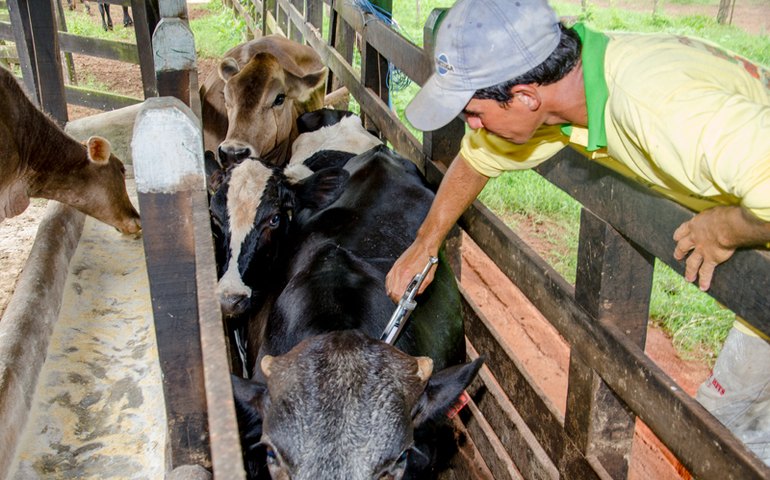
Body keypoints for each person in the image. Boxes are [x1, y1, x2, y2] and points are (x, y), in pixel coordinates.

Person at [384, 0, 770, 465]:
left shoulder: (657, 103)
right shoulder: (568, 95)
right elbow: (476, 158)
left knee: (724, 442)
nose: (472, 125)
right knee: (732, 428)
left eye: (473, 112)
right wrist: (425, 243)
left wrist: (728, 228)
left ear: (525, 97)